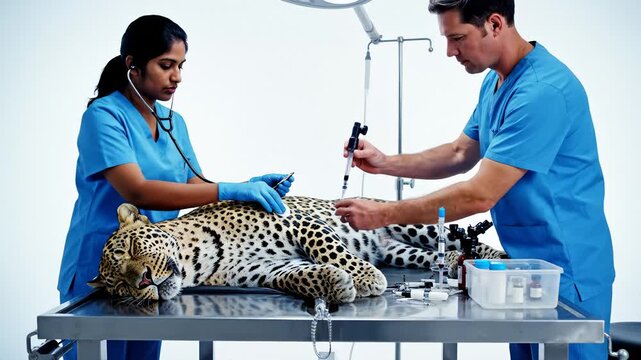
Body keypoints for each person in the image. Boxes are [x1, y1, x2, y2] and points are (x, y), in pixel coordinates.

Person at [334, 1, 614, 359]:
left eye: (458, 38)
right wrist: (385, 163)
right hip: (523, 270)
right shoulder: (496, 83)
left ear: (494, 24)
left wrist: (384, 214)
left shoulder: (541, 92)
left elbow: (480, 195)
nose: (450, 51)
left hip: (568, 272)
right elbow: (459, 153)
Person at [57, 15, 294, 360]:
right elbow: (137, 190)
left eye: (181, 66)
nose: (177, 77)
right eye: (166, 65)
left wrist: (247, 187)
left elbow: (196, 185)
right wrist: (229, 190)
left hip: (157, 269)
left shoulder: (173, 122)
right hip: (104, 269)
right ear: (132, 66)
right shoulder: (103, 116)